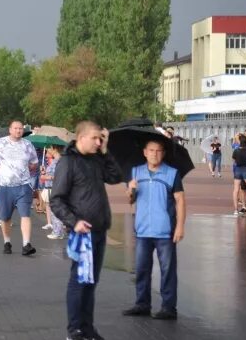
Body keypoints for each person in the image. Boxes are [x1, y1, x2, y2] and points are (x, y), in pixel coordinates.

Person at [50, 121, 122, 340]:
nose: (98, 142)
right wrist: (74, 222)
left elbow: (115, 176)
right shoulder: (68, 162)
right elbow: (56, 199)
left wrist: (106, 150)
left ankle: (87, 328)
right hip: (82, 231)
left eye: (101, 138)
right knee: (79, 281)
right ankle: (74, 330)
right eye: (95, 138)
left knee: (91, 282)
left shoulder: (95, 159)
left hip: (99, 228)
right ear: (81, 137)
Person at [122, 139, 186, 321]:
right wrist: (130, 191)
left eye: (158, 151)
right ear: (145, 152)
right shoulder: (136, 173)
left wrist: (180, 226)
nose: (154, 154)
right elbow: (131, 201)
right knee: (141, 269)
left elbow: (180, 200)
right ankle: (142, 304)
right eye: (151, 150)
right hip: (142, 230)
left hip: (165, 230)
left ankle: (168, 307)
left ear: (163, 153)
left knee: (167, 270)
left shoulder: (172, 174)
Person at [0, 120, 39, 255]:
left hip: (24, 185)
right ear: (10, 130)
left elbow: (34, 162)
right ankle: (7, 242)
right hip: (5, 186)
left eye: (21, 128)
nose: (18, 131)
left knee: (25, 214)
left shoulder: (28, 145)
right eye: (16, 128)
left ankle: (26, 244)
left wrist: (28, 169)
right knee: (5, 217)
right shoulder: (0, 143)